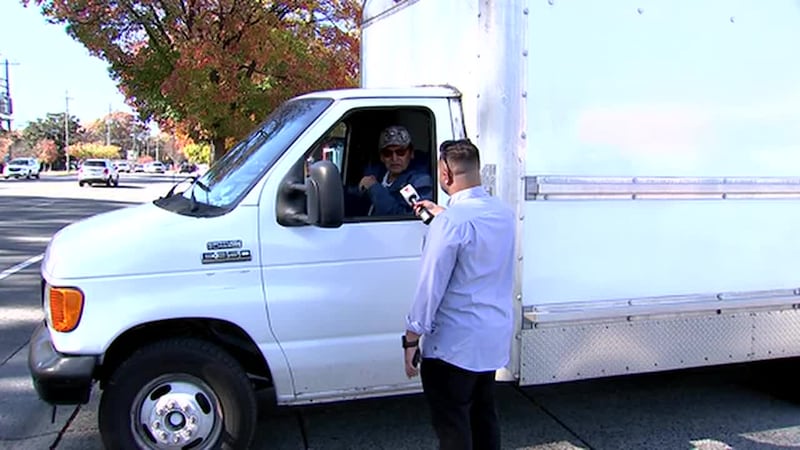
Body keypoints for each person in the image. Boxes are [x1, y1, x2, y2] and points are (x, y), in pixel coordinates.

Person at [402, 139, 515, 450]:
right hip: (490, 339)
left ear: (445, 173)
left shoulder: (451, 224)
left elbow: (429, 287)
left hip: (453, 346)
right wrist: (441, 214)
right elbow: (472, 237)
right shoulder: (503, 214)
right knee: (484, 418)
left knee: (453, 429)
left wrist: (411, 338)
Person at [358, 125, 432, 216]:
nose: (394, 158)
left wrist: (374, 188)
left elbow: (409, 218)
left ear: (411, 153)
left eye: (400, 152)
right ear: (381, 157)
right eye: (387, 153)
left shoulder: (420, 182)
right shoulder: (376, 176)